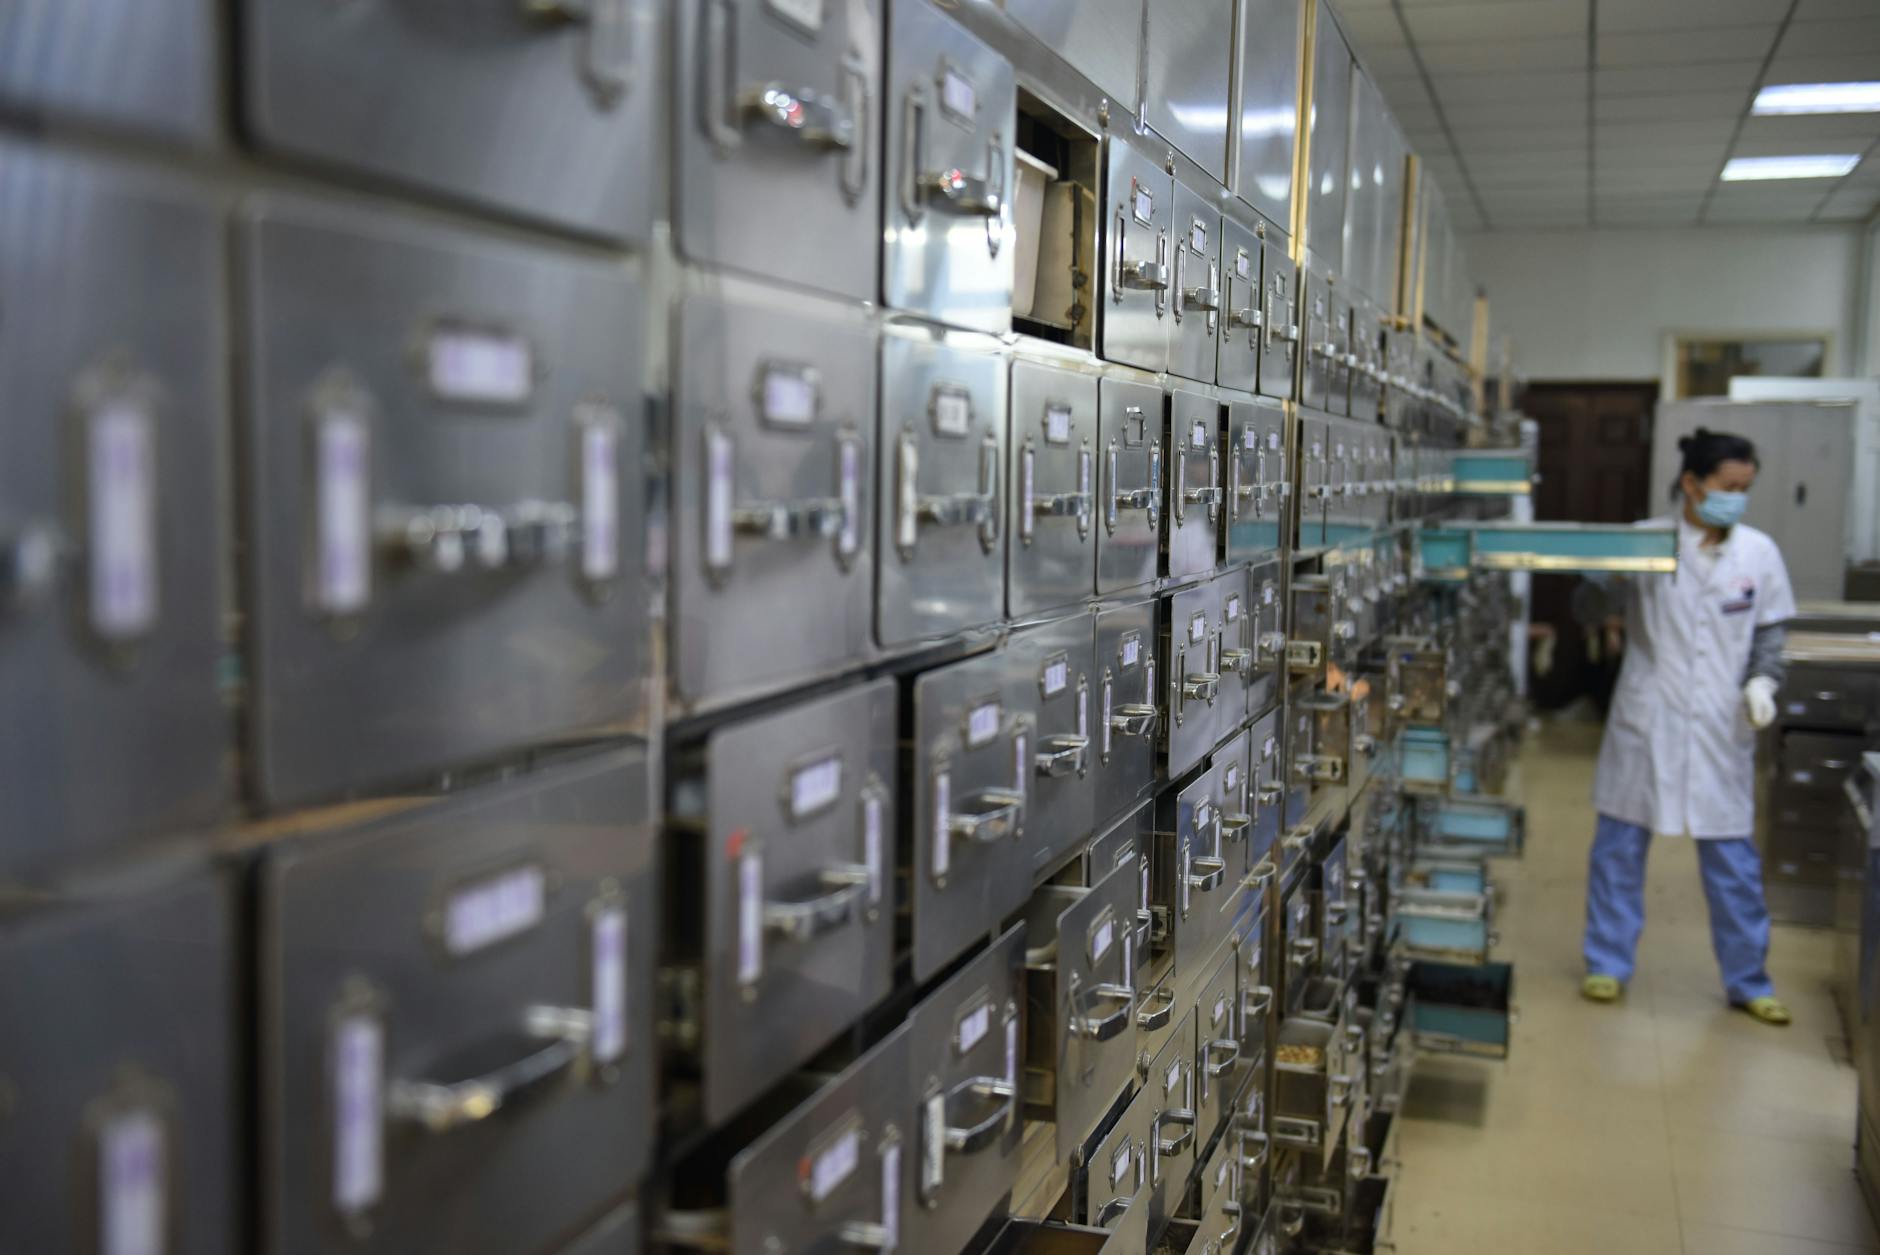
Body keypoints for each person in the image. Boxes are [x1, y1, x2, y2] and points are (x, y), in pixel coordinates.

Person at [1581, 428, 1797, 1025]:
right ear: (1692, 484)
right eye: (1728, 488)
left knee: (1734, 865)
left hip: (1719, 727)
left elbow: (1770, 634)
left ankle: (1748, 980)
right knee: (1618, 853)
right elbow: (1587, 609)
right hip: (1648, 718)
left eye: (1744, 489)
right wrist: (1606, 580)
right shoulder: (1645, 541)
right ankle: (1607, 963)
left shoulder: (1759, 554)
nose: (1736, 499)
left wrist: (1762, 683)